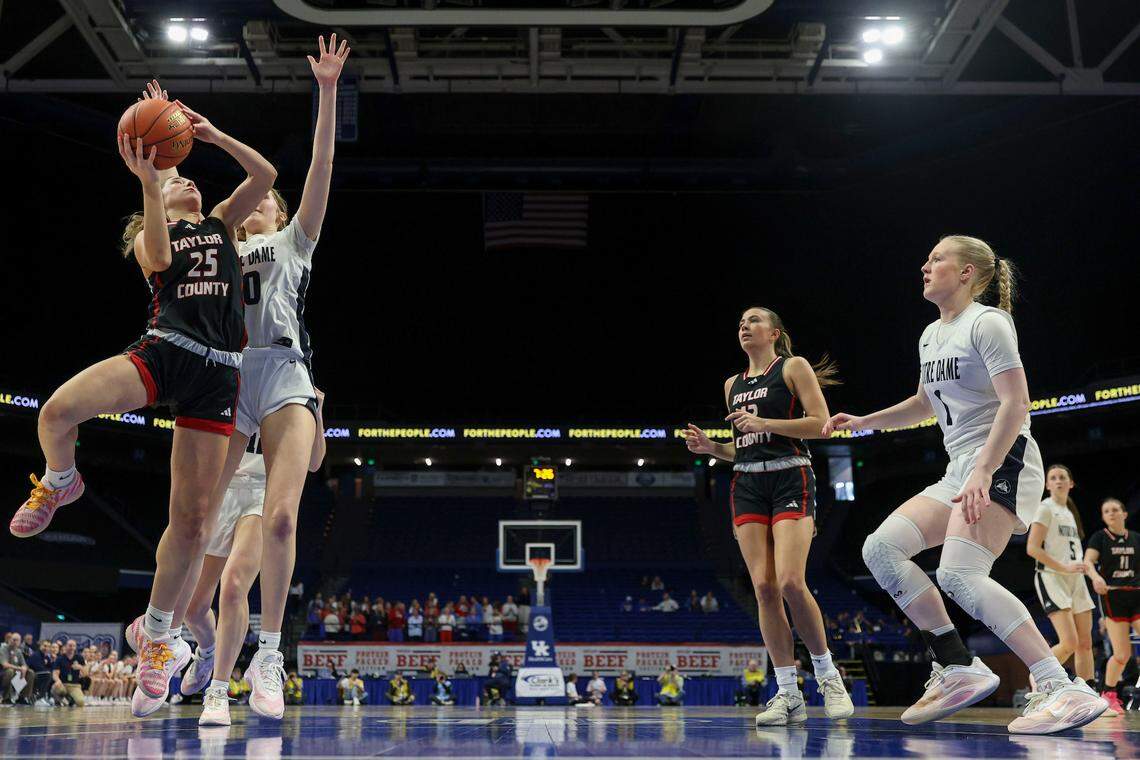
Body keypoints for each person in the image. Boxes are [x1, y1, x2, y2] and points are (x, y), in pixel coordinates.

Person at [10, 81, 276, 720]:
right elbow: (157, 254)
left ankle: (158, 639)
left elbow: (265, 172)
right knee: (55, 412)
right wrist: (153, 182)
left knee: (189, 523)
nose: (194, 184)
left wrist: (209, 136)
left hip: (217, 374)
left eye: (192, 178)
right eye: (184, 180)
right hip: (162, 350)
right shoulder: (153, 234)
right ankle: (61, 479)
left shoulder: (222, 224)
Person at [823, 235, 1106, 734]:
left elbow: (1016, 403)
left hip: (1004, 457)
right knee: (881, 549)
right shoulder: (931, 334)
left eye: (937, 259)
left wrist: (983, 469)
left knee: (958, 574)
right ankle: (956, 665)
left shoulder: (989, 322)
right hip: (961, 467)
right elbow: (924, 404)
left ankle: (1063, 686)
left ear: (968, 273)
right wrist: (865, 420)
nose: (925, 265)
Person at [684, 306, 853, 726]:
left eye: (753, 320)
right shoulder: (732, 384)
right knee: (763, 586)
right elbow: (743, 447)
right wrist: (712, 449)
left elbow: (820, 425)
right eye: (740, 321)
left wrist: (766, 421)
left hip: (790, 476)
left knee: (793, 582)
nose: (744, 325)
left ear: (774, 332)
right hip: (747, 484)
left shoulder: (793, 367)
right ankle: (788, 693)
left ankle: (828, 676)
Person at [132, 391, 325, 728]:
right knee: (194, 607)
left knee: (234, 585)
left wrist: (319, 412)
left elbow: (314, 461)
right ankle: (205, 652)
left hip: (263, 491)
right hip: (221, 486)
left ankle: (218, 692)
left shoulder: (292, 379)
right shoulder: (230, 368)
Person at [1025, 465, 1108, 709]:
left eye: (1063, 477)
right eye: (1053, 478)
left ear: (1071, 483)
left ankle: (1090, 696)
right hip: (1052, 576)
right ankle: (1039, 675)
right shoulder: (1045, 508)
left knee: (1085, 643)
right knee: (1069, 642)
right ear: (1047, 484)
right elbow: (1033, 548)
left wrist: (1080, 566)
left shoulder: (1069, 513)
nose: (1058, 481)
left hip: (1075, 579)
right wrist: (1064, 567)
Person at [1085, 497, 1140, 714]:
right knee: (1121, 655)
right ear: (1103, 516)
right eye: (1106, 511)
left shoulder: (1136, 538)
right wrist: (1095, 577)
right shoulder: (1099, 538)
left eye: (1115, 509)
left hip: (1136, 596)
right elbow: (1088, 562)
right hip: (1113, 598)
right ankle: (1108, 695)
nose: (1111, 513)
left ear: (1124, 514)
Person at [51, 640, 85, 707]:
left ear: (75, 647)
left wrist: (80, 667)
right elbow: (55, 673)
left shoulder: (79, 658)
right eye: (70, 645)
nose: (71, 647)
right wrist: (58, 680)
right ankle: (58, 700)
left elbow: (86, 673)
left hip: (74, 685)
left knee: (80, 702)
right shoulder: (60, 658)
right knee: (57, 688)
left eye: (73, 646)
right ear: (66, 646)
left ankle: (70, 699)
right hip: (63, 684)